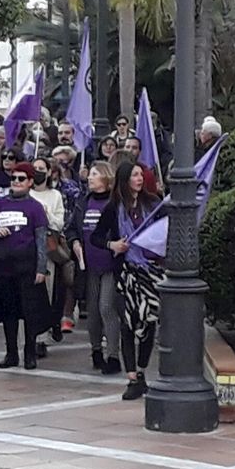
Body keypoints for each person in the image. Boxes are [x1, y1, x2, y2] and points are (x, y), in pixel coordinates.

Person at [91, 160, 163, 399]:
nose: (139, 179)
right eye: (134, 175)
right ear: (124, 179)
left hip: (149, 272)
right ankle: (131, 376)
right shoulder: (114, 207)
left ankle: (142, 370)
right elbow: (96, 237)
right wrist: (113, 244)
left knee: (148, 322)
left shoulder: (152, 204)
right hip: (125, 273)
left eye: (141, 175)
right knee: (127, 324)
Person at [0, 162, 50, 369]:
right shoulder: (0, 203)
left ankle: (30, 352)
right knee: (8, 311)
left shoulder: (35, 207)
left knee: (29, 311)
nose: (16, 182)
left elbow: (41, 240)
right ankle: (11, 352)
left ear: (29, 182)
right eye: (14, 178)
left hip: (26, 265)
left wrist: (40, 268)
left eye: (21, 178)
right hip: (3, 265)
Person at [77, 162, 122, 375]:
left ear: (106, 177)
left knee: (106, 307)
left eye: (95, 174)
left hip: (110, 263)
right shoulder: (84, 202)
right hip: (89, 264)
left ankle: (113, 354)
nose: (90, 178)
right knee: (93, 311)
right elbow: (75, 228)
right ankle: (95, 350)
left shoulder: (115, 204)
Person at [30, 158, 78, 343]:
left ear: (49, 172)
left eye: (41, 168)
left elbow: (59, 223)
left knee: (47, 292)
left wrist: (45, 213)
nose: (38, 171)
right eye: (35, 168)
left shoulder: (55, 195)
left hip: (48, 247)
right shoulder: (25, 193)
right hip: (27, 247)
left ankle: (43, 336)